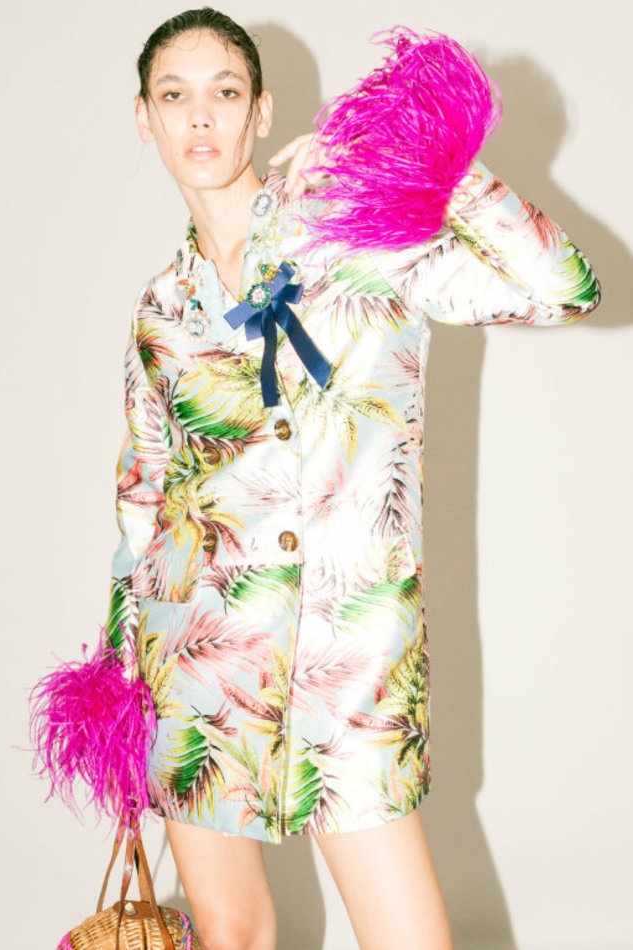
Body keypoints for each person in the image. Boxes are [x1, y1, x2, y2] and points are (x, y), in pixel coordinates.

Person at [104, 8, 600, 950]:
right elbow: (144, 496)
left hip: (349, 661)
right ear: (145, 117)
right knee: (231, 932)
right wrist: (120, 680)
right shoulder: (159, 310)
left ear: (261, 113)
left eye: (224, 93)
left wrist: (432, 166)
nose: (199, 117)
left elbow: (563, 285)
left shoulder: (357, 234)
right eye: (174, 96)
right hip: (196, 660)